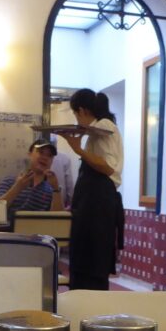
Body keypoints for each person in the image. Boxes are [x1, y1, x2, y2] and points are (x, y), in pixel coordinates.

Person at [57, 89, 124, 290]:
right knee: (85, 260)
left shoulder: (103, 126)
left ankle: (90, 310)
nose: (77, 120)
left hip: (98, 203)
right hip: (93, 203)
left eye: (76, 114)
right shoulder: (95, 131)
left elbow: (107, 167)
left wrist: (77, 149)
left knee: (92, 261)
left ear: (83, 110)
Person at [0, 140, 64, 212]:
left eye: (50, 156)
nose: (45, 158)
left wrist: (56, 190)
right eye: (41, 152)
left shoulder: (50, 189)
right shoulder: (9, 181)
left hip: (39, 223)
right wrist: (18, 187)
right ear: (30, 154)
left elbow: (59, 220)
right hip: (11, 223)